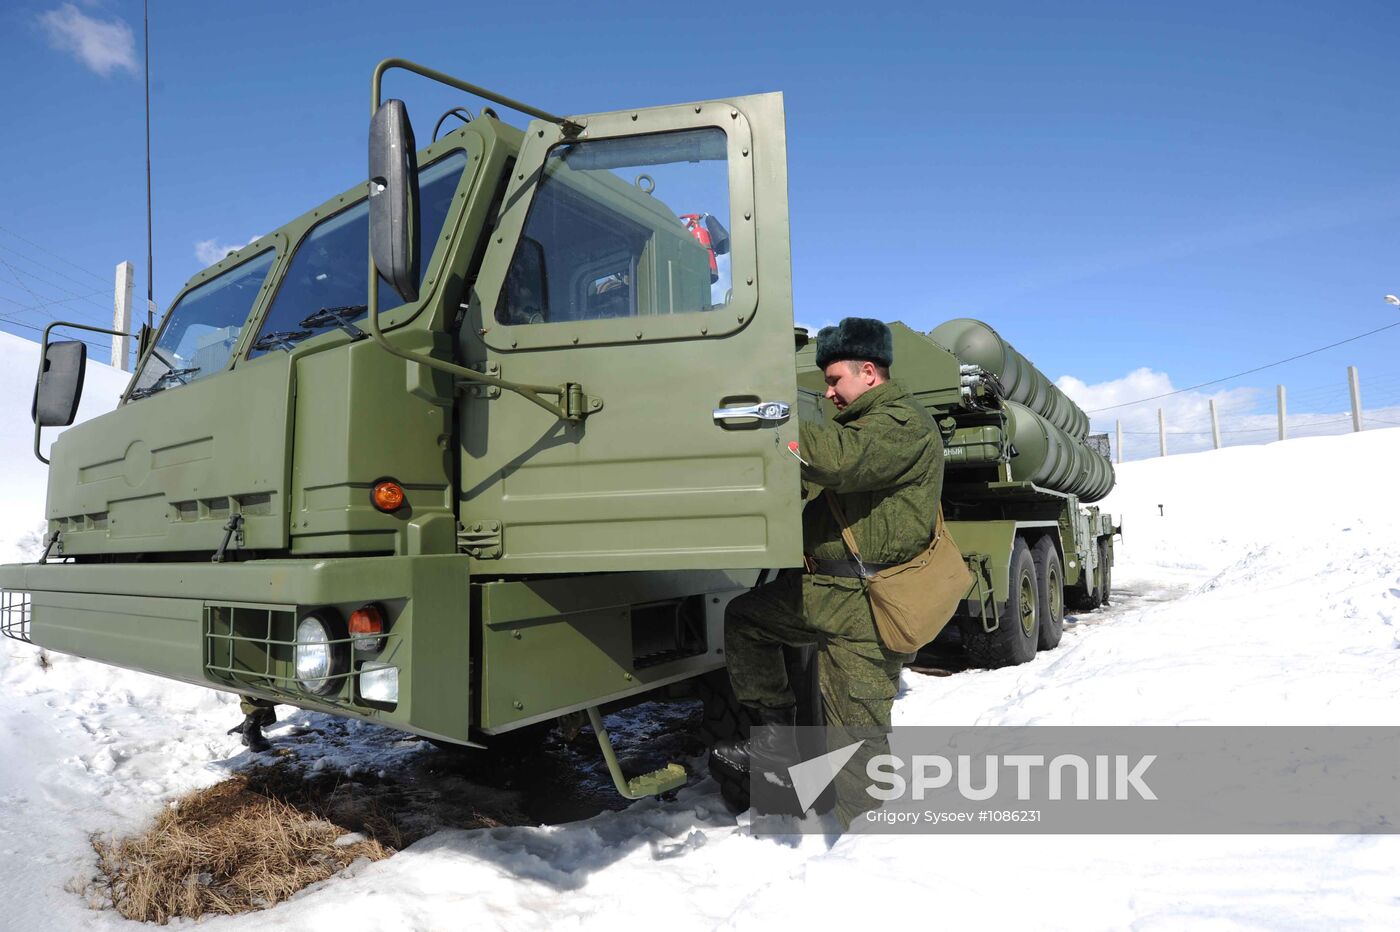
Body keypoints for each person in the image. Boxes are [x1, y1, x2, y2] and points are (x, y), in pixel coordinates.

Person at [710, 317, 944, 826]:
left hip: (865, 607)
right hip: (822, 592)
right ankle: (776, 748)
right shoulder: (860, 423)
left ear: (869, 372)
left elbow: (839, 462)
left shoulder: (901, 424)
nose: (830, 393)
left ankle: (867, 848)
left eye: (835, 381)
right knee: (747, 619)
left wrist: (775, 420)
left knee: (856, 743)